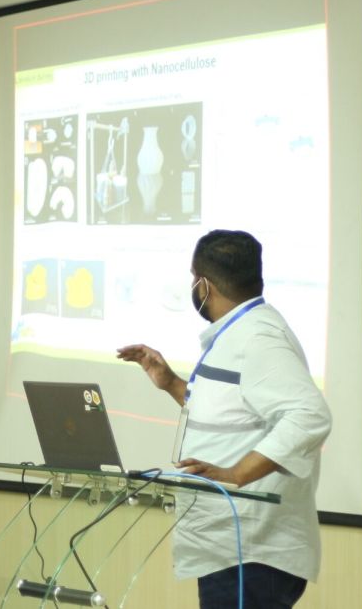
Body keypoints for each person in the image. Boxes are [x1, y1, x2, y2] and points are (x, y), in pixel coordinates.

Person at [117, 229, 331, 609]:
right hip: (229, 549)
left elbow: (309, 415)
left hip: (251, 553)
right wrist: (171, 384)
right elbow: (236, 412)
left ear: (204, 285)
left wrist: (237, 473)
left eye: (192, 279)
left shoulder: (259, 338)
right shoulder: (239, 332)